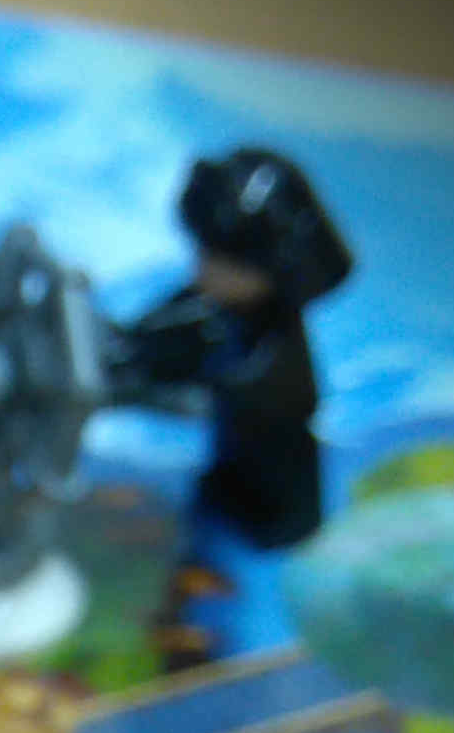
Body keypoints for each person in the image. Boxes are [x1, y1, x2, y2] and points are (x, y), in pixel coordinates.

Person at [108, 148, 355, 551]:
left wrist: (140, 372)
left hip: (270, 513)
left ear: (267, 270)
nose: (201, 270)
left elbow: (195, 379)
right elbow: (156, 332)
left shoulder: (267, 358)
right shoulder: (224, 305)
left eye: (217, 260)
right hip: (232, 474)